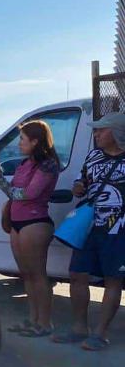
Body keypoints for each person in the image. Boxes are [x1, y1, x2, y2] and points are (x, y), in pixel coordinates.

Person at [52, 112, 125, 351]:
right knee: (77, 273)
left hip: (118, 230)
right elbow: (80, 180)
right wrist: (78, 187)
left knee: (113, 279)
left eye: (100, 130)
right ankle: (79, 328)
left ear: (116, 132)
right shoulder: (93, 156)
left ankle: (100, 333)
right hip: (91, 227)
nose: (96, 135)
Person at [0, 120, 60, 338]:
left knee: (38, 275)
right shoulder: (26, 163)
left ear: (35, 141)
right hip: (19, 223)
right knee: (27, 275)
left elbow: (29, 194)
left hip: (35, 222)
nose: (19, 143)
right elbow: (15, 192)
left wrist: (8, 188)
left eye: (22, 139)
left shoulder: (47, 164)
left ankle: (45, 322)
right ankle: (33, 319)